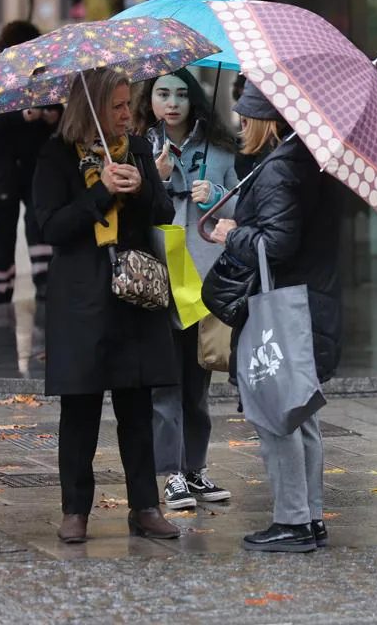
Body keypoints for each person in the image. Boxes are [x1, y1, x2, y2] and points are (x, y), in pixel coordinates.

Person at [32, 68, 180, 543]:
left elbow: (163, 213)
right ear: (90, 108)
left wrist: (142, 186)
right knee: (81, 409)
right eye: (116, 106)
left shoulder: (136, 148)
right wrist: (102, 192)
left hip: (132, 294)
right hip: (81, 296)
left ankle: (145, 506)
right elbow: (50, 227)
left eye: (126, 104)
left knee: (135, 405)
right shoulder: (56, 156)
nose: (125, 114)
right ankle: (75, 510)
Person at [208, 81, 347, 552]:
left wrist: (232, 233)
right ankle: (309, 517)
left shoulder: (280, 169)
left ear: (262, 122)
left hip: (283, 309)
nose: (240, 127)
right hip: (307, 306)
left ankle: (292, 521)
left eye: (244, 119)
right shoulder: (309, 161)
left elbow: (275, 244)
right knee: (299, 412)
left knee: (276, 417)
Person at [131, 68, 237, 510]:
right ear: (150, 102)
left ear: (193, 100)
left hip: (204, 280)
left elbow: (241, 207)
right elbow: (126, 214)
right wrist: (152, 181)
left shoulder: (219, 150)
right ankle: (170, 473)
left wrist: (216, 194)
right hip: (158, 280)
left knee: (197, 384)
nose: (172, 103)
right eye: (162, 94)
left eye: (180, 94)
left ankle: (195, 469)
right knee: (165, 384)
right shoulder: (139, 147)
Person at [0, 21, 62, 305]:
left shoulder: (42, 77)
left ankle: (48, 287)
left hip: (36, 168)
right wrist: (20, 116)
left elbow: (57, 110)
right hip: (1, 174)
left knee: (40, 226)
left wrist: (51, 117)